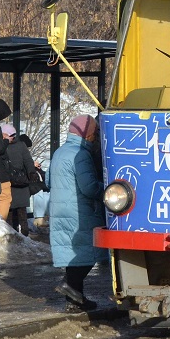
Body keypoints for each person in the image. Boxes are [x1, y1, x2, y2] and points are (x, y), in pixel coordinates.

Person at [49, 114, 104, 311]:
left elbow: (48, 181)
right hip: (79, 210)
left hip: (60, 208)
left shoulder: (60, 152)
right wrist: (107, 190)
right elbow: (89, 187)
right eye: (95, 133)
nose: (96, 137)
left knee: (74, 253)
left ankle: (74, 300)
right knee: (91, 251)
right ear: (88, 135)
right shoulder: (81, 154)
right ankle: (69, 285)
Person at [2, 123, 35, 237]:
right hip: (19, 183)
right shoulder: (20, 145)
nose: (12, 137)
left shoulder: (3, 146)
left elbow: (28, 161)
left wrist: (31, 171)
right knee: (19, 212)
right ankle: (21, 235)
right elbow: (28, 161)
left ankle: (16, 235)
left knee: (13, 212)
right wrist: (31, 172)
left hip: (10, 183)